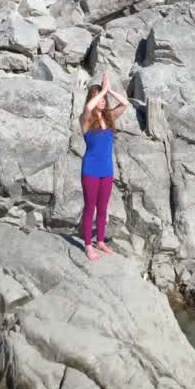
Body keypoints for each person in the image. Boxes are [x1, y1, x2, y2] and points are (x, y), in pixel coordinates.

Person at [80, 72, 128, 261]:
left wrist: (110, 91)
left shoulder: (109, 119)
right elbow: (88, 107)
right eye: (99, 98)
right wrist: (102, 91)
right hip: (90, 170)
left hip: (106, 171)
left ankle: (100, 241)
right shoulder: (85, 120)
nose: (102, 101)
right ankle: (87, 245)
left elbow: (125, 104)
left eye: (104, 99)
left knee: (103, 208)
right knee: (89, 207)